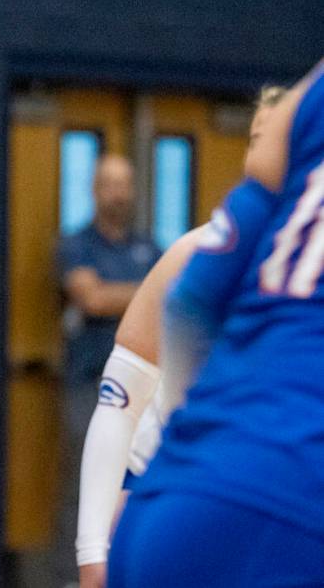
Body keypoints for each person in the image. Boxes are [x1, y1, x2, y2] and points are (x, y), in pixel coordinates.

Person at [108, 60, 324, 587]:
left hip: (169, 497)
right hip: (289, 506)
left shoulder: (308, 98)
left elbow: (192, 299)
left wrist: (192, 443)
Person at [75, 87, 287, 588]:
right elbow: (118, 405)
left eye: (282, 141)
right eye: (258, 139)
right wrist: (92, 553)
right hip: (164, 488)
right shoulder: (195, 253)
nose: (268, 156)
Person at [53, 153, 161, 584]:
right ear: (94, 189)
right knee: (84, 484)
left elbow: (177, 301)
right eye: (109, 184)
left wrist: (125, 293)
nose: (118, 193)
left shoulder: (151, 246)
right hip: (89, 382)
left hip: (149, 389)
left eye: (124, 184)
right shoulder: (76, 244)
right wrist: (149, 290)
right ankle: (72, 577)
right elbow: (91, 298)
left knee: (141, 482)